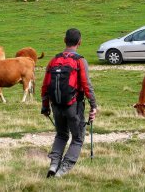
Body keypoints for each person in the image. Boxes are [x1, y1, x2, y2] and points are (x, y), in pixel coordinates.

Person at [41, 28, 97, 178]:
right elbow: (86, 85)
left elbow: (45, 86)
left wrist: (45, 106)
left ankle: (53, 165)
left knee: (61, 135)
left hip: (56, 105)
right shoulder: (80, 61)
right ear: (80, 42)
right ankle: (63, 170)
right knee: (78, 138)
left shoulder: (53, 60)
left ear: (64, 40)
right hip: (74, 106)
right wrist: (94, 106)